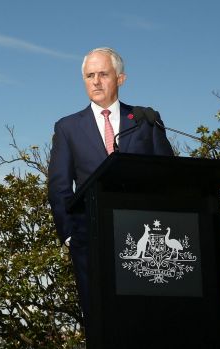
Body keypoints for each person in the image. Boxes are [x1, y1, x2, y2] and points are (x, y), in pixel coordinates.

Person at [47, 47, 173, 322]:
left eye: (103, 74)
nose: (95, 81)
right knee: (101, 319)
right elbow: (59, 185)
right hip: (90, 240)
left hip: (143, 241)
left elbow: (168, 176)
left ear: (120, 78)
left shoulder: (144, 120)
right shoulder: (67, 127)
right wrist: (69, 235)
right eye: (89, 75)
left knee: (146, 320)